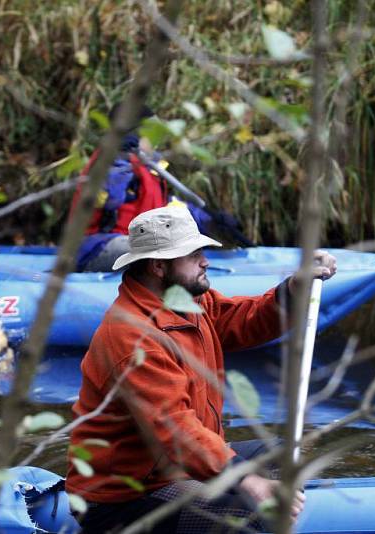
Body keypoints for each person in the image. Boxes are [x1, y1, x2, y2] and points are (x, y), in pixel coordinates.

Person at [65, 205, 337, 533]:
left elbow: (242, 319)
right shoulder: (132, 338)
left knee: (282, 456)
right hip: (124, 498)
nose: (205, 261)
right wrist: (248, 482)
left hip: (178, 471)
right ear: (158, 267)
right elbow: (177, 433)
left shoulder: (187, 301)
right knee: (245, 513)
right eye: (193, 255)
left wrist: (293, 289)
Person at [71, 105, 170, 272]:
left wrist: (207, 220)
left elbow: (168, 210)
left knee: (177, 245)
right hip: (96, 245)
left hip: (138, 241)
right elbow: (110, 199)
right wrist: (120, 159)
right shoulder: (107, 162)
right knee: (157, 252)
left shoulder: (151, 169)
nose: (157, 140)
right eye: (152, 134)